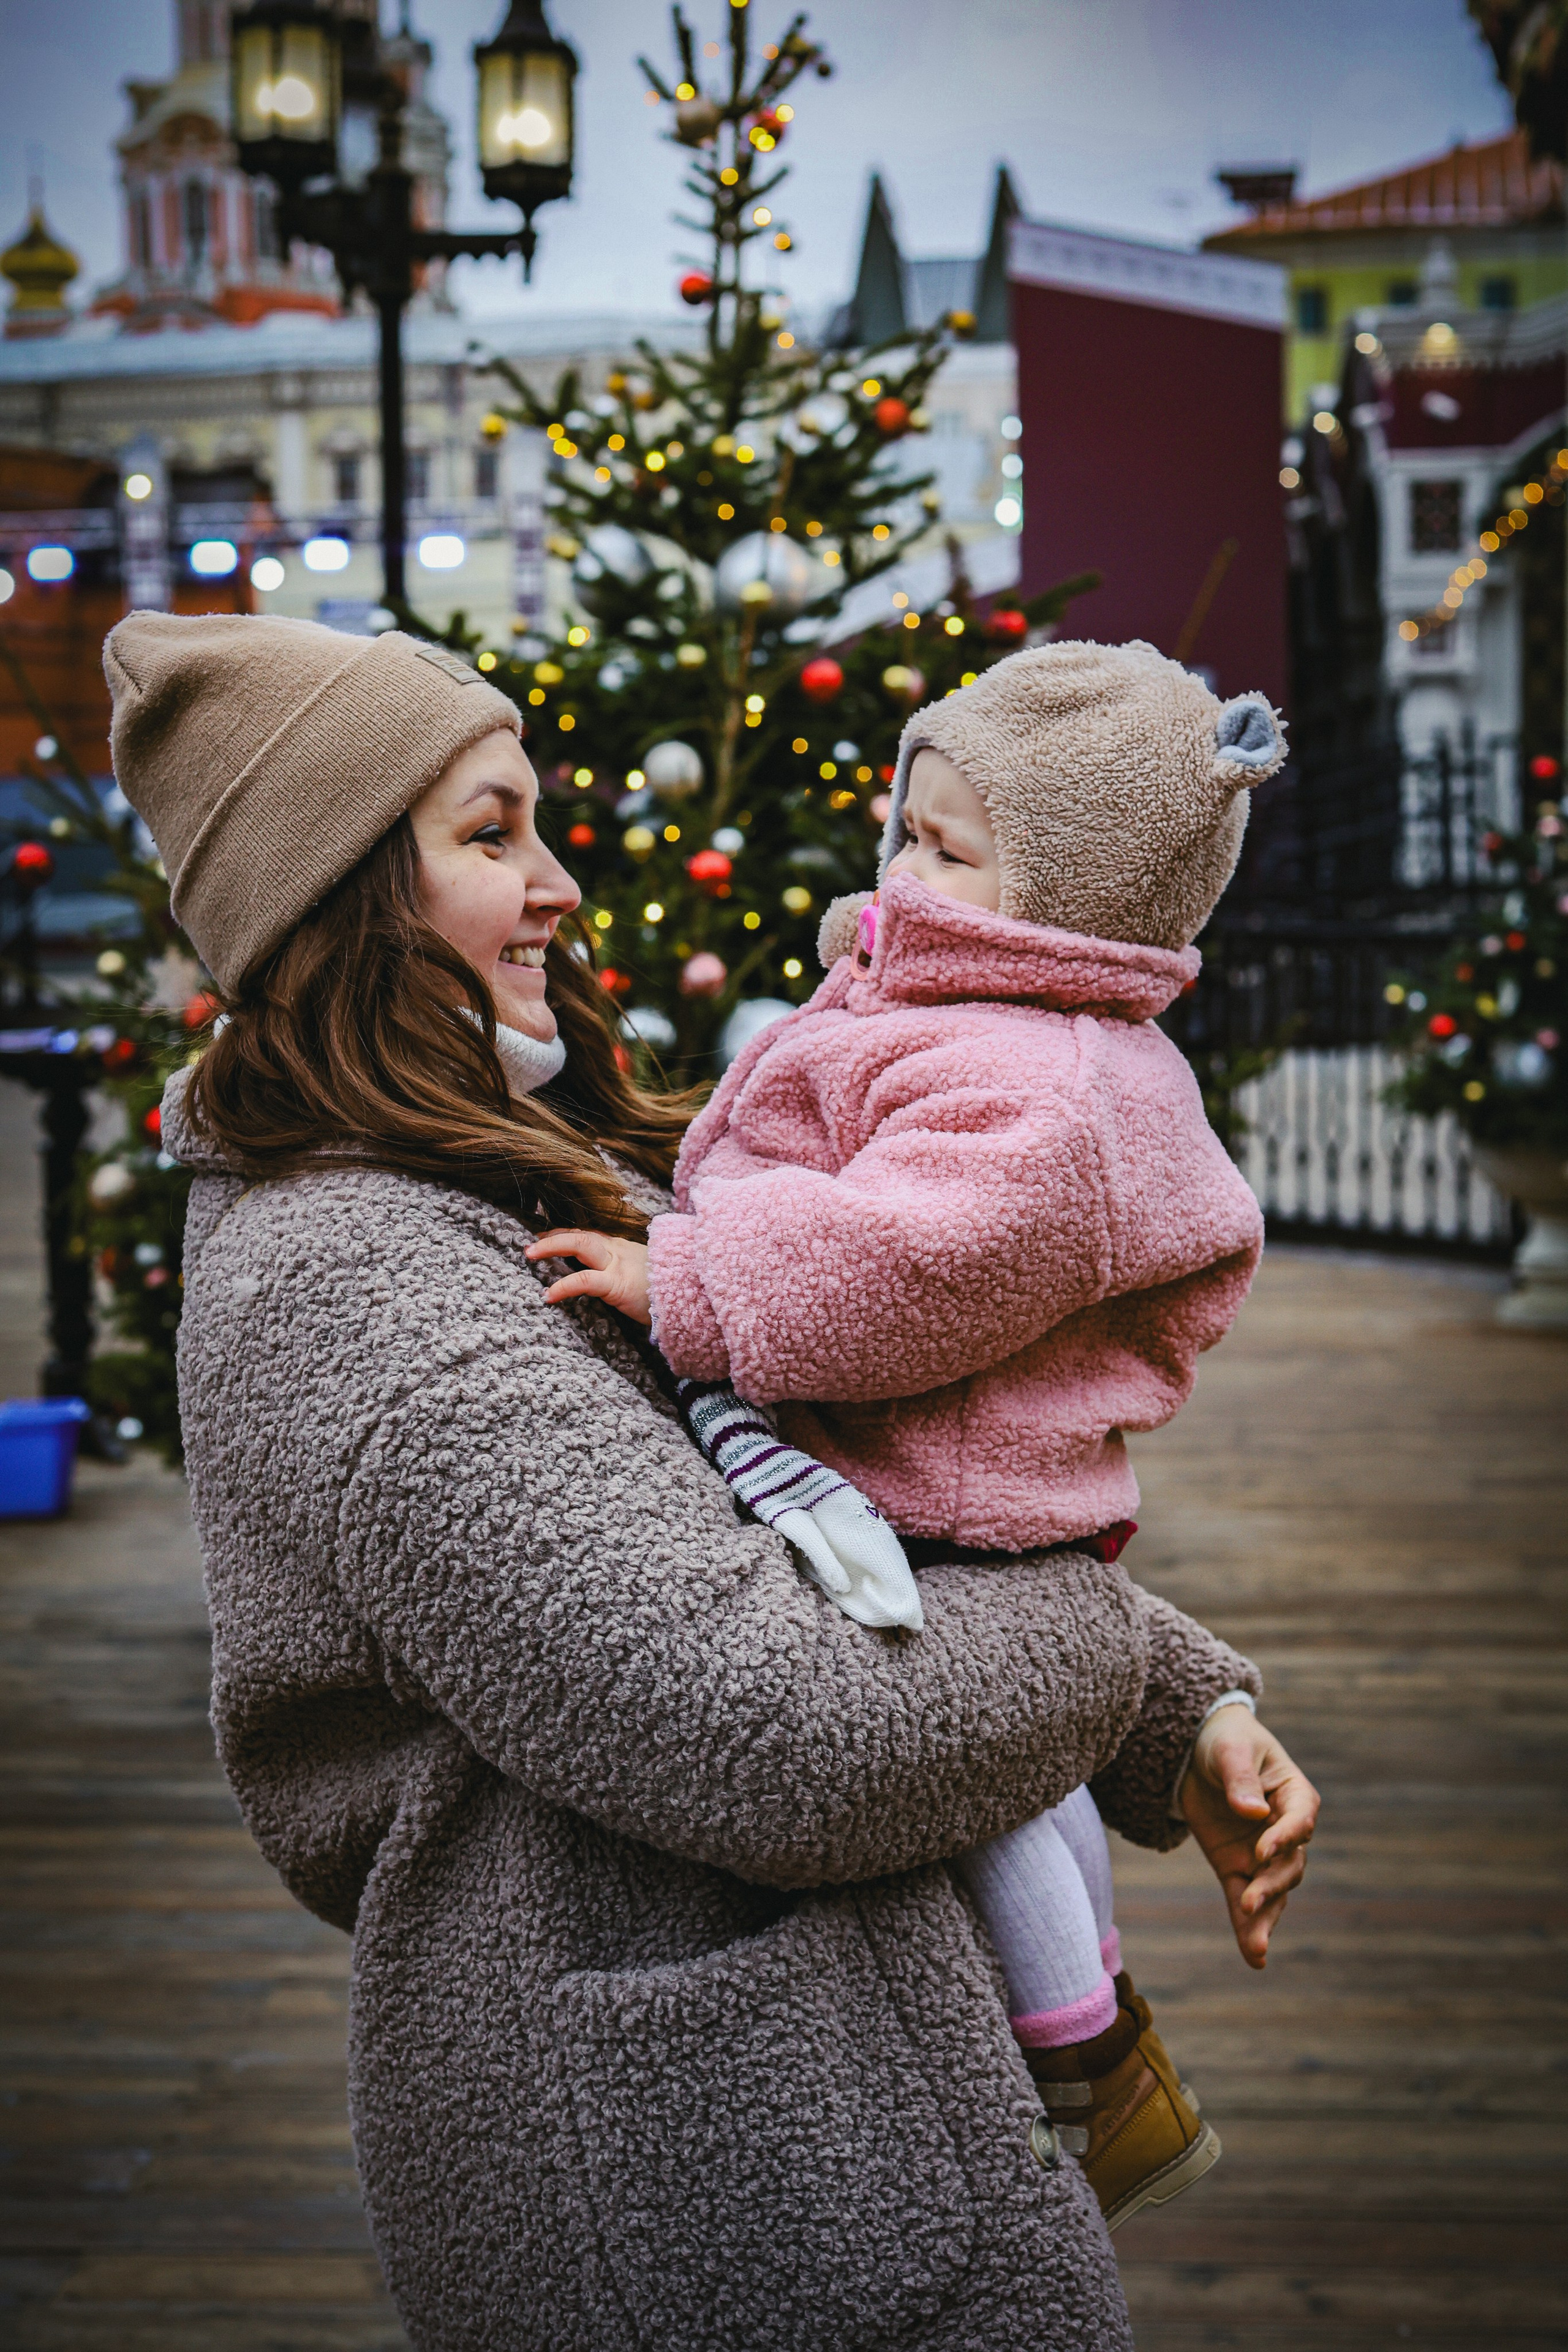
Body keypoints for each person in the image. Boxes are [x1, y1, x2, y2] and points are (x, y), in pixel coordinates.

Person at [105, 609, 1317, 2352]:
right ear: (340, 897)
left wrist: (1173, 1710)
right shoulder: (355, 1286)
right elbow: (786, 1729)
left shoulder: (518, 1169)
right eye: (490, 832)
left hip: (814, 2123)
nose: (563, 888)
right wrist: (1116, 1661)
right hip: (691, 2185)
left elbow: (831, 1495)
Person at [521, 641, 1294, 2229]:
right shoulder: (960, 995)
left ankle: (1089, 2060)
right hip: (936, 1471)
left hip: (944, 1486)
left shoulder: (1048, 1083)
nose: (904, 869)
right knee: (1029, 1775)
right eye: (906, 830)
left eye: (949, 851)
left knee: (991, 1787)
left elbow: (907, 1271)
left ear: (1071, 898)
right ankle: (1092, 2031)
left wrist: (693, 1273)